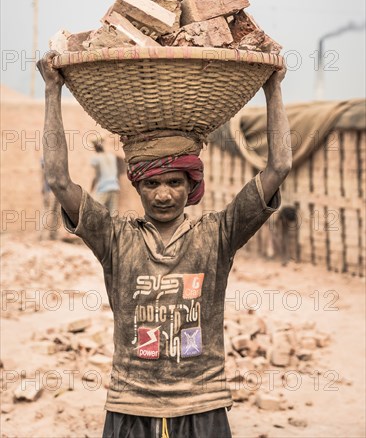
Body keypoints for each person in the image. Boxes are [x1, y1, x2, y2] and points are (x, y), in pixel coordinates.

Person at [38, 51, 292, 438]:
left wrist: (272, 88)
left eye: (174, 182)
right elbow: (58, 179)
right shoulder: (115, 237)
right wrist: (52, 90)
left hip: (202, 401)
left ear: (191, 186)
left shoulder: (218, 234)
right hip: (131, 402)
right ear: (137, 186)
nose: (163, 195)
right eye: (152, 184)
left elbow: (278, 167)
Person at [90, 137, 123, 216]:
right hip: (114, 187)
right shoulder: (112, 157)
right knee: (113, 215)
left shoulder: (96, 159)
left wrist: (91, 189)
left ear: (95, 147)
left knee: (96, 211)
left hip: (103, 188)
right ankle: (114, 228)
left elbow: (96, 176)